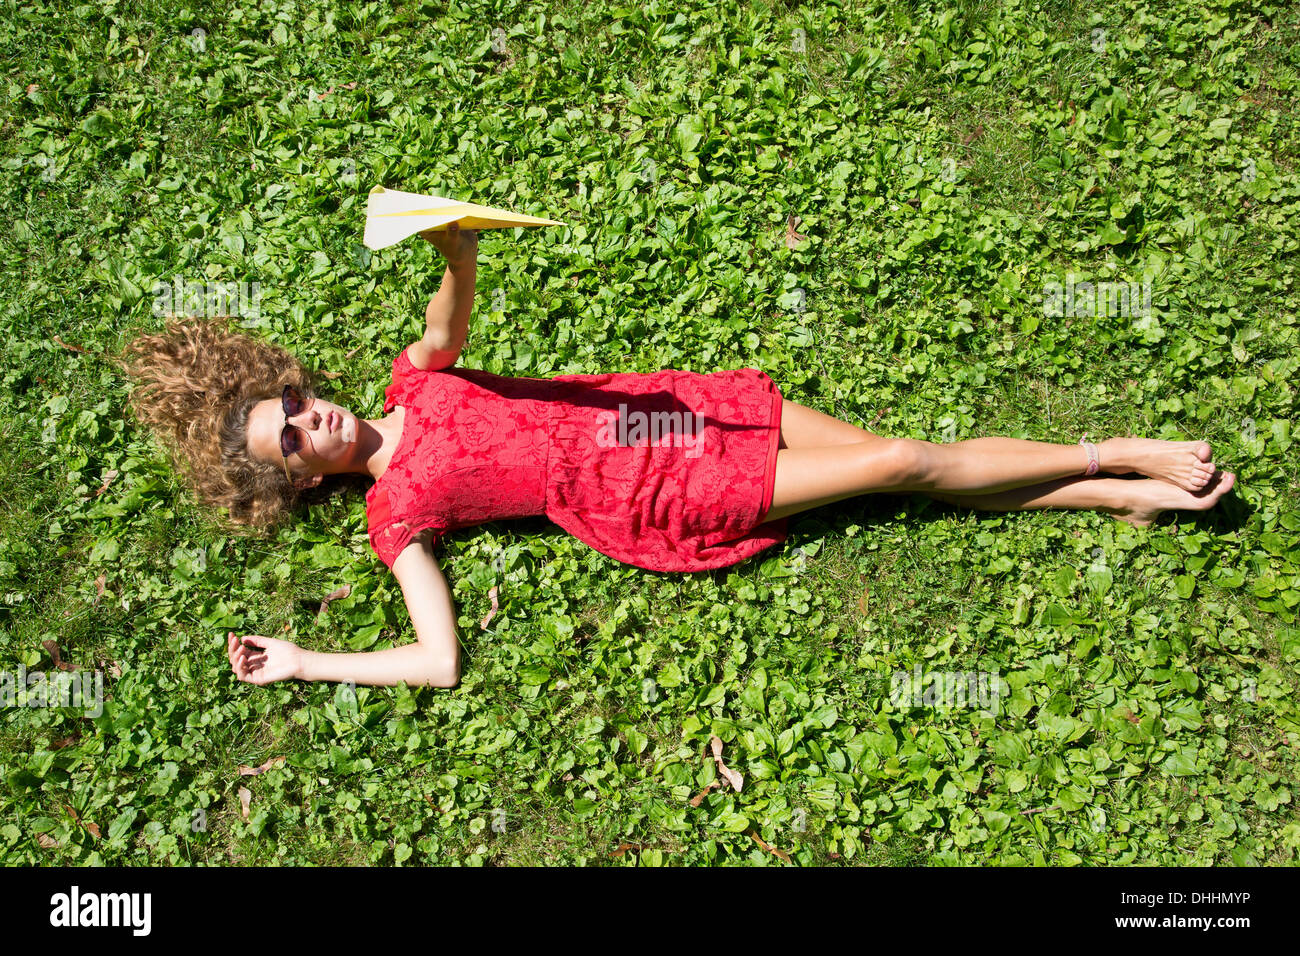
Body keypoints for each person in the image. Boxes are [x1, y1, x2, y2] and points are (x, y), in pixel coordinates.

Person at [119, 224, 1236, 692]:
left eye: (298, 404)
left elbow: (449, 316)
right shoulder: (394, 510)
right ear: (303, 478)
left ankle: (1099, 494)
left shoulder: (417, 379)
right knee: (901, 459)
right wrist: (311, 659)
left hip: (658, 412)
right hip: (657, 483)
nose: (314, 422)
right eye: (294, 439)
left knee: (917, 462)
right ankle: (1113, 452)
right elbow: (437, 659)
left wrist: (455, 241)